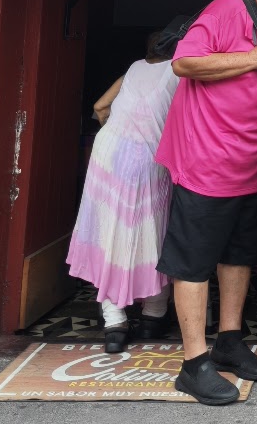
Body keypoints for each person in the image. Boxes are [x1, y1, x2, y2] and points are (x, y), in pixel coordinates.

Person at [155, 0, 257, 406]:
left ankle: (229, 341)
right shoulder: (227, 8)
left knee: (240, 255)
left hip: (255, 163)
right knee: (194, 261)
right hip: (207, 160)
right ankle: (193, 362)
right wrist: (253, 57)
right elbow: (184, 62)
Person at [67, 29, 180, 353]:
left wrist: (119, 133)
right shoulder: (179, 72)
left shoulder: (133, 68)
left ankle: (114, 321)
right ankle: (153, 315)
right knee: (152, 233)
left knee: (109, 233)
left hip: (109, 153)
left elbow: (100, 106)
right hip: (150, 158)